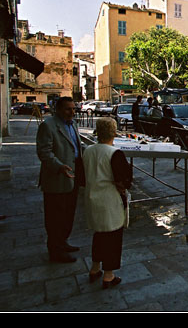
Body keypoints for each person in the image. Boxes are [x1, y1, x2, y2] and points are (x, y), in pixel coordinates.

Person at [84, 118, 132, 289]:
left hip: (92, 198)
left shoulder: (88, 150)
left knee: (99, 235)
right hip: (109, 200)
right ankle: (109, 275)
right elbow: (124, 180)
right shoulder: (114, 153)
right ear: (114, 131)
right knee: (112, 238)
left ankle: (95, 268)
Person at [36, 96, 84, 263]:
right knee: (55, 216)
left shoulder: (73, 124)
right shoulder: (48, 126)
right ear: (58, 110)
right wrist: (59, 166)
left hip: (73, 175)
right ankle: (55, 250)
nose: (72, 112)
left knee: (68, 213)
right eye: (68, 109)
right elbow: (44, 152)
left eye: (73, 108)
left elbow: (76, 147)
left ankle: (63, 242)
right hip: (57, 177)